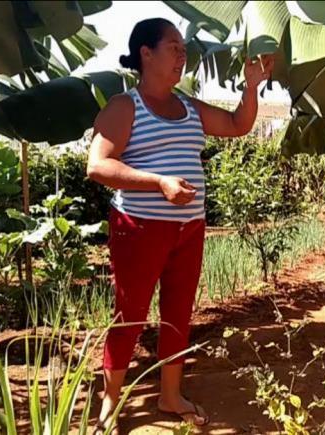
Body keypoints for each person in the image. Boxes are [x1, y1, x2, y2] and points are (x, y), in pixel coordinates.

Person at [86, 17, 274, 432]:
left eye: (183, 48)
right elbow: (98, 166)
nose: (182, 54)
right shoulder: (124, 107)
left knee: (178, 314)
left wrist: (251, 86)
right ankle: (109, 406)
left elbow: (238, 125)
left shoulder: (189, 106)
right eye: (173, 47)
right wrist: (159, 183)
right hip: (139, 226)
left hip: (189, 227)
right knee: (130, 316)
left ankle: (170, 396)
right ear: (145, 54)